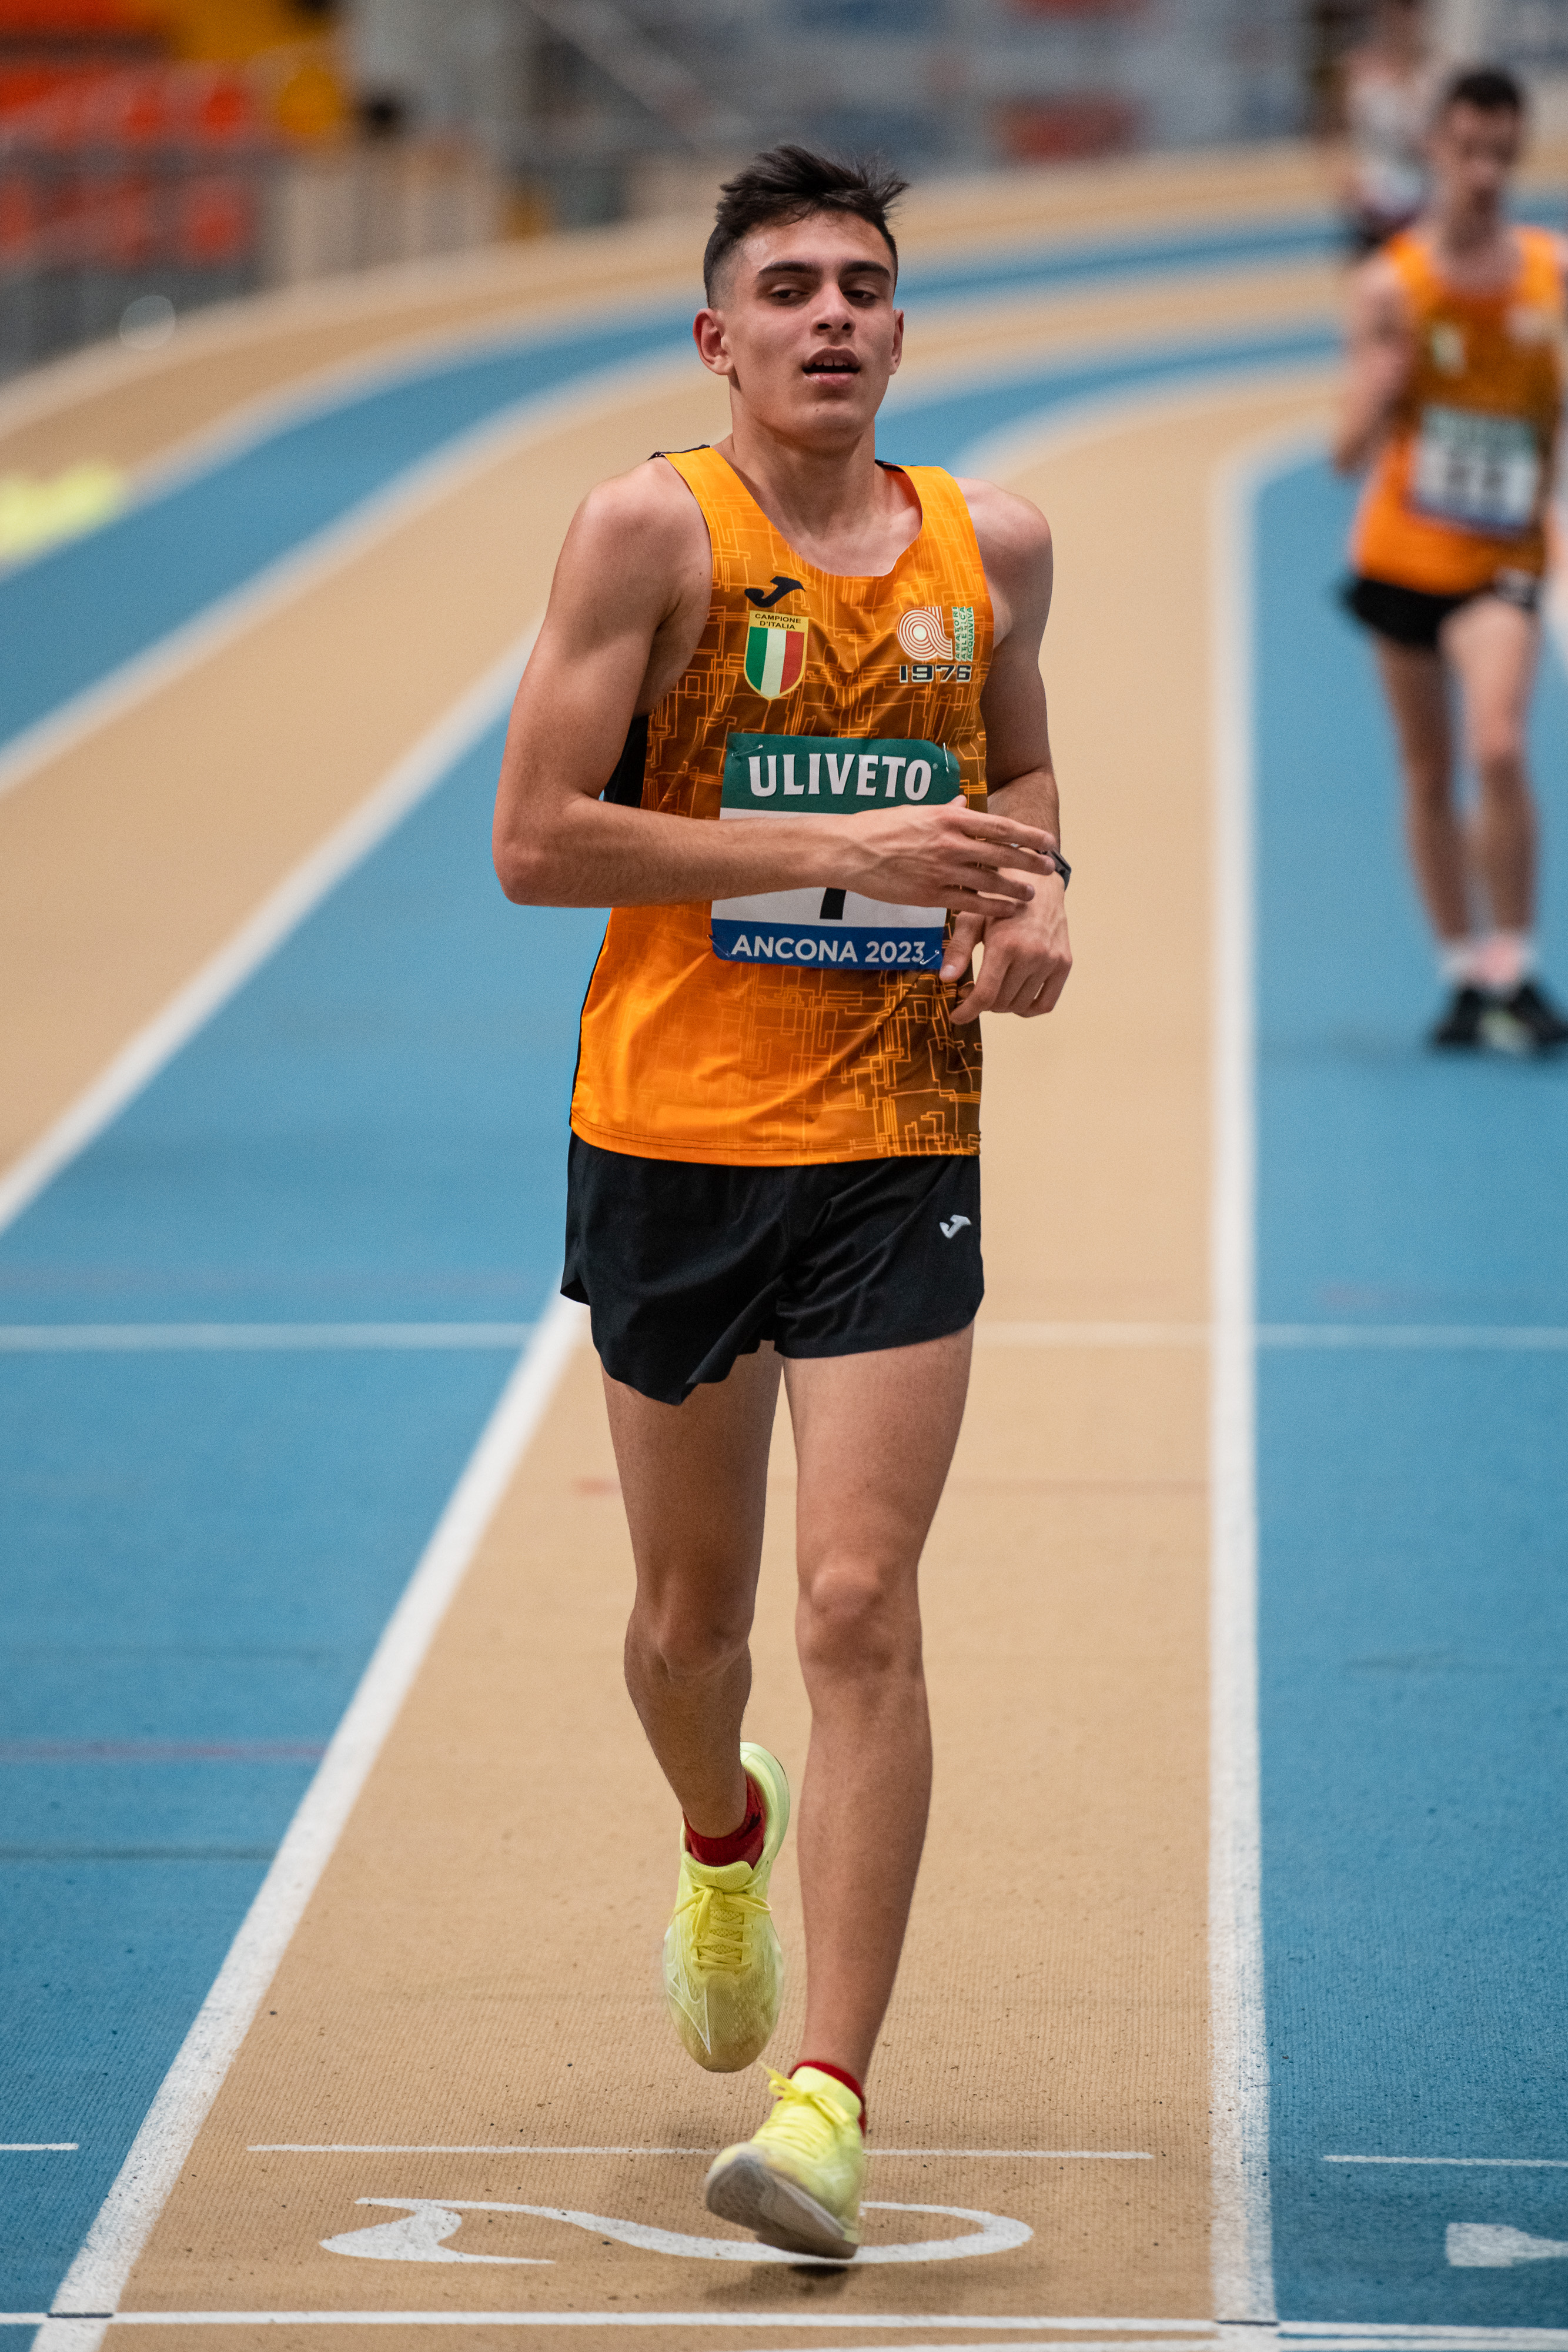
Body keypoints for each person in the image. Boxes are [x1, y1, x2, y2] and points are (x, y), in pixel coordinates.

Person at [492, 146, 1070, 2259]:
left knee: (855, 1604)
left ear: (899, 329)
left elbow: (1017, 772)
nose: (832, 315)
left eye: (864, 286)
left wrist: (1036, 886)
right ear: (716, 335)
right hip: (672, 1131)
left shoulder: (991, 541)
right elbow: (536, 839)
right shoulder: (648, 530)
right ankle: (718, 1823)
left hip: (896, 1134)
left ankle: (825, 2102)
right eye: (791, 286)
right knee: (689, 1629)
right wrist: (838, 853)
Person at [1335, 64, 1568, 1054]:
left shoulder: (1551, 274)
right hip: (1401, 555)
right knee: (1427, 771)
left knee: (1498, 745)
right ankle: (1461, 974)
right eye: (1465, 150)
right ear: (1432, 147)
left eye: (1498, 153)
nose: (1481, 172)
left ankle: (1514, 965)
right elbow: (1343, 452)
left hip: (1500, 556)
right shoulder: (1389, 286)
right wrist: (1383, 385)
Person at [1336, 0, 1439, 254]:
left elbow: (1436, 142)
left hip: (1423, 205)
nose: (1402, 20)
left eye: (1411, 9)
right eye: (1396, 9)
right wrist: (1348, 184)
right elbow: (1336, 133)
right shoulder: (1358, 68)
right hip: (1373, 207)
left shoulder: (1438, 72)